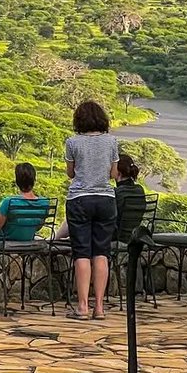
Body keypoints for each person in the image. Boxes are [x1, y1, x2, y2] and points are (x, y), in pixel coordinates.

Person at [65, 100, 120, 320]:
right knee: (101, 252)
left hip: (79, 199)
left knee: (81, 252)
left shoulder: (72, 142)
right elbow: (114, 174)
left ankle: (83, 307)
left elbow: (71, 173)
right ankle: (99, 307)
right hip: (106, 199)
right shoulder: (111, 141)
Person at [114, 154, 147, 241]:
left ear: (118, 172)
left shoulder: (117, 193)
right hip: (134, 237)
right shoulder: (140, 190)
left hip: (116, 238)